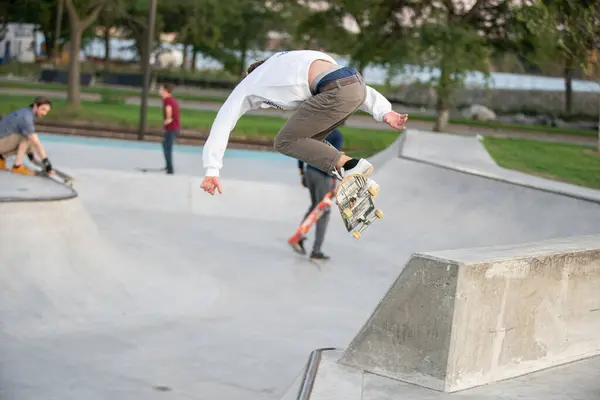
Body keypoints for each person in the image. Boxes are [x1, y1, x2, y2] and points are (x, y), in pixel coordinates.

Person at [199, 49, 408, 195]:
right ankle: (347, 172)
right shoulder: (289, 58)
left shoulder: (249, 84)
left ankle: (352, 166)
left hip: (335, 93)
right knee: (309, 141)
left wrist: (212, 169)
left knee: (285, 141)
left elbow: (223, 123)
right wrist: (384, 112)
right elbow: (349, 83)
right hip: (355, 85)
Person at [294, 127, 343, 261]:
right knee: (323, 211)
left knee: (315, 206)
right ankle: (316, 251)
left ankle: (298, 237)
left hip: (310, 172)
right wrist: (334, 183)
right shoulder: (337, 135)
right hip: (323, 176)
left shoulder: (315, 132)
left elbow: (302, 152)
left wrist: (302, 173)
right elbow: (334, 159)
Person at [0, 96, 56, 176]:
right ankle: (17, 167)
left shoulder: (26, 112)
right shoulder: (26, 118)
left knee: (28, 137)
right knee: (29, 138)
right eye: (43, 109)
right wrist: (47, 165)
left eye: (47, 111)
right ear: (35, 106)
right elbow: (36, 143)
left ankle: (1, 159)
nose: (44, 113)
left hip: (3, 141)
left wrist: (32, 157)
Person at [160, 83, 181, 174]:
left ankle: (170, 168)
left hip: (171, 128)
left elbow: (169, 111)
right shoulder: (173, 100)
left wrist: (166, 121)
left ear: (165, 90)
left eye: (161, 90)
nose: (160, 91)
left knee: (167, 147)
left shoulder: (167, 100)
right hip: (175, 128)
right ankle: (168, 166)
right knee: (166, 146)